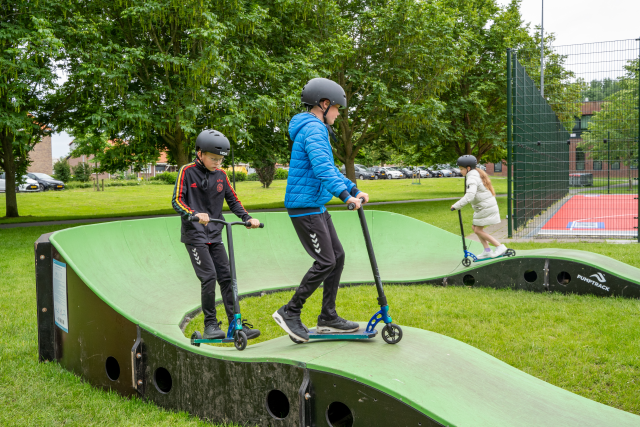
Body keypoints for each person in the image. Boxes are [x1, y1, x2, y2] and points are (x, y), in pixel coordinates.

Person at [272, 78, 369, 343]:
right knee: (326, 260)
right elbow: (323, 171)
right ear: (323, 104)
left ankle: (328, 317)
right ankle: (290, 311)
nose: (338, 114)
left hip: (315, 205)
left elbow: (329, 167)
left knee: (337, 256)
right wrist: (345, 196)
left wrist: (353, 188)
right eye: (337, 108)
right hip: (304, 207)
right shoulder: (313, 129)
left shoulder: (317, 129)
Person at [172, 129, 261, 340]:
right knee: (209, 277)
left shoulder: (221, 175)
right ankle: (210, 325)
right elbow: (177, 200)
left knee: (227, 277)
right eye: (213, 158)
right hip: (195, 235)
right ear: (200, 153)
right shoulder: (187, 171)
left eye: (220, 159)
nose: (217, 163)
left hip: (215, 233)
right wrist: (193, 214)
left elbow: (233, 200)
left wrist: (247, 218)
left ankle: (235, 324)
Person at [451, 155, 508, 259]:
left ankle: (500, 247)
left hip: (485, 207)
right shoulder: (475, 174)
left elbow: (470, 195)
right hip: (484, 206)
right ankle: (487, 250)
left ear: (468, 168)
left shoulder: (471, 178)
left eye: (461, 169)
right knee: (475, 228)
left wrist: (456, 206)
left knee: (477, 230)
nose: (460, 171)